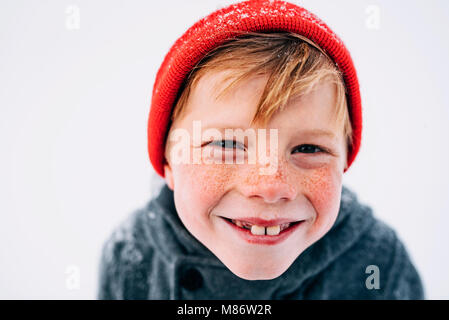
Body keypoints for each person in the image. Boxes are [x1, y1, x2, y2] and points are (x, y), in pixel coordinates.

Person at [98, 0, 425, 299]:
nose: (270, 186)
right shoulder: (132, 254)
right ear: (169, 162)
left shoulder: (379, 264)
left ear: (343, 162)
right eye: (225, 144)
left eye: (308, 148)